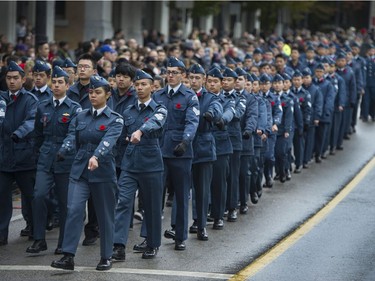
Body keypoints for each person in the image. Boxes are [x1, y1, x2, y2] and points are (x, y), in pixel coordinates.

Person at [51, 75, 123, 271]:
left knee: (104, 215)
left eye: (98, 92)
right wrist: (62, 151)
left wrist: (97, 156)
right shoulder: (80, 116)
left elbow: (108, 141)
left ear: (107, 95)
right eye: (91, 92)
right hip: (80, 170)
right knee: (73, 210)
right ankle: (68, 256)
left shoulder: (115, 120)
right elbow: (72, 138)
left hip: (103, 172)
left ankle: (106, 256)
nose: (93, 95)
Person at [112, 69, 167, 260]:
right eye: (138, 85)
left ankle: (152, 243)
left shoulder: (159, 109)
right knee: (123, 202)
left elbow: (155, 123)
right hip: (130, 163)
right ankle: (118, 245)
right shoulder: (128, 110)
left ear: (152, 87)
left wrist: (141, 132)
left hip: (151, 164)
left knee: (152, 206)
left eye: (144, 84)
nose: (140, 88)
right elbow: (122, 135)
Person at [26, 66, 81, 254]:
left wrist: (64, 150)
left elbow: (74, 134)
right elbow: (38, 134)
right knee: (39, 195)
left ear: (67, 85)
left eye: (60, 82)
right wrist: (38, 153)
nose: (56, 85)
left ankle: (63, 242)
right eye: (54, 82)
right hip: (45, 158)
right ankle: (39, 238)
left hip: (65, 160)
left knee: (65, 203)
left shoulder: (74, 108)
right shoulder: (43, 106)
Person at [153, 57, 199, 251]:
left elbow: (192, 121)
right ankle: (150, 238)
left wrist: (186, 141)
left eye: (174, 72)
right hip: (158, 151)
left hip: (180, 151)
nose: (170, 75)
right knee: (154, 196)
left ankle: (180, 236)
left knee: (181, 196)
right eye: (168, 72)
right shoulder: (158, 95)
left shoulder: (189, 96)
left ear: (183, 75)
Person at [0, 61, 38, 245]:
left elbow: (32, 121)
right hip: (3, 157)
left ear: (23, 79)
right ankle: (1, 234)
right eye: (9, 78)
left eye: (15, 78)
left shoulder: (30, 100)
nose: (12, 82)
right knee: (2, 197)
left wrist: (19, 133)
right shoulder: (1, 99)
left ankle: (34, 229)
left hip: (24, 156)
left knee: (30, 197)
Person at [188, 64, 222, 240]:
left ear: (204, 80)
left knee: (201, 190)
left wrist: (210, 114)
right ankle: (177, 226)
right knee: (182, 190)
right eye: (191, 77)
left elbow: (217, 110)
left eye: (197, 78)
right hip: (183, 147)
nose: (194, 81)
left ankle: (201, 225)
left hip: (203, 147)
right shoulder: (184, 96)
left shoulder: (210, 98)